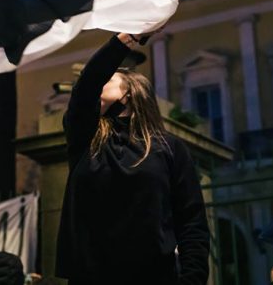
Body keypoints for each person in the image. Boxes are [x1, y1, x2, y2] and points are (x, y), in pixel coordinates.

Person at [55, 32, 210, 285]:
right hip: (92, 277)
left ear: (129, 94)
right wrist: (123, 40)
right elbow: (86, 85)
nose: (101, 82)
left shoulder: (169, 148)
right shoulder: (85, 138)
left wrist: (192, 279)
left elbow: (192, 222)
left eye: (110, 79)